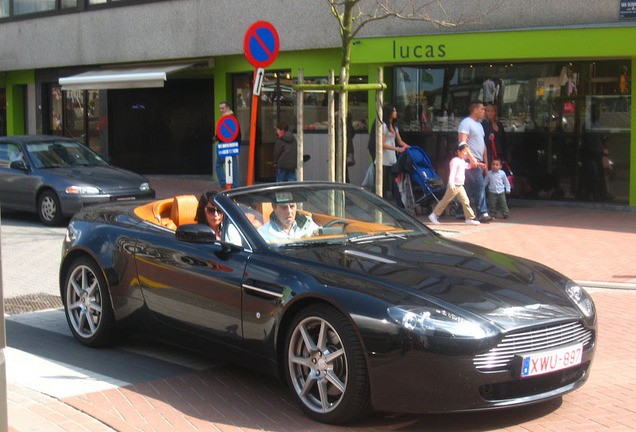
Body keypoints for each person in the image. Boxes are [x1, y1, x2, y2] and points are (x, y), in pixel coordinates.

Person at [428, 142, 483, 226]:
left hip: (459, 185)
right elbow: (452, 174)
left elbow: (467, 166)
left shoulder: (461, 161)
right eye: (464, 151)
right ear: (458, 151)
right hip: (454, 185)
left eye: (466, 151)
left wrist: (477, 164)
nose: (466, 153)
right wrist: (452, 185)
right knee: (446, 201)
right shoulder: (454, 161)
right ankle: (434, 215)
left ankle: (469, 218)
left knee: (466, 201)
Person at [456, 101, 493, 222]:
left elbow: (483, 145)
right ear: (475, 110)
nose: (484, 111)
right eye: (482, 109)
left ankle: (461, 211)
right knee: (479, 185)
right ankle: (482, 212)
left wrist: (485, 162)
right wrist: (471, 158)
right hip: (470, 160)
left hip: (478, 160)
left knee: (468, 187)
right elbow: (462, 142)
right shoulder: (466, 123)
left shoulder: (479, 125)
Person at [381, 104, 410, 207]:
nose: (396, 113)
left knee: (396, 183)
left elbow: (400, 141)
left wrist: (409, 147)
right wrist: (397, 149)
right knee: (382, 183)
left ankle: (399, 204)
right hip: (383, 159)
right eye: (394, 111)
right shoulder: (383, 126)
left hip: (392, 159)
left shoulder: (395, 127)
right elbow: (382, 144)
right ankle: (381, 203)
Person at [214, 101, 240, 189]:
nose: (221, 110)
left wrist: (218, 138)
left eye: (223, 108)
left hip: (225, 146)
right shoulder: (232, 118)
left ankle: (224, 185)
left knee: (219, 165)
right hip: (232, 146)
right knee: (233, 166)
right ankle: (233, 186)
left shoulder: (228, 118)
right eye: (220, 108)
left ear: (228, 108)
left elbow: (227, 132)